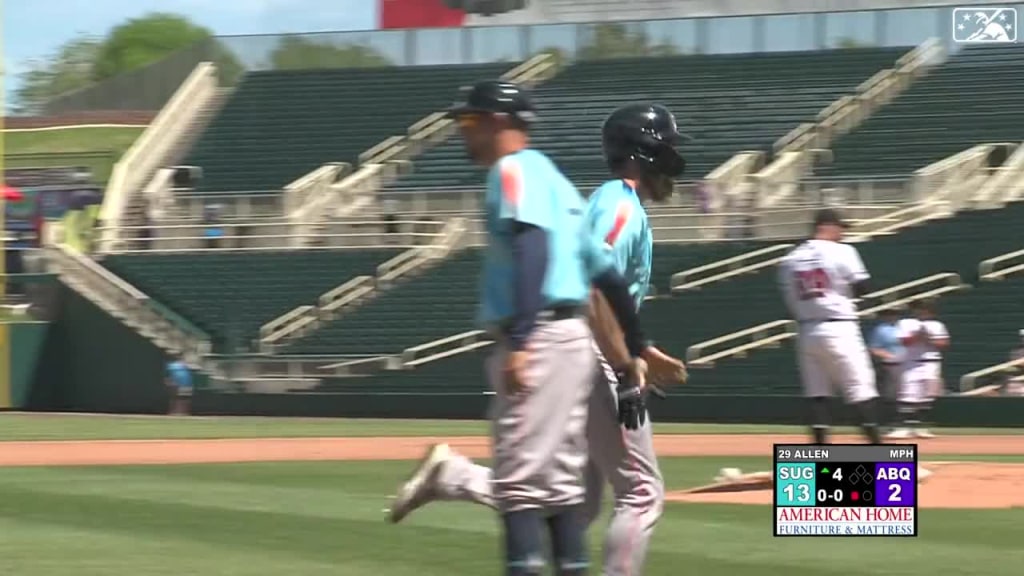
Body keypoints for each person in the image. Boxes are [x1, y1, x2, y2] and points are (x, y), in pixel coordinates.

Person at [386, 103, 688, 576]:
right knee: (641, 493)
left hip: (589, 352)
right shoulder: (618, 205)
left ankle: (456, 475)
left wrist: (640, 346)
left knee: (574, 501)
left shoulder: (619, 203)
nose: (674, 157)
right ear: (646, 150)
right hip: (591, 357)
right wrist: (627, 364)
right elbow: (592, 286)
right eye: (667, 146)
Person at [777, 208, 882, 445]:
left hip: (807, 330)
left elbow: (790, 300)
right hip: (840, 327)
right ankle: (881, 459)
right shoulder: (843, 251)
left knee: (817, 395)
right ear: (825, 226)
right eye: (840, 227)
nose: (842, 232)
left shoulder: (789, 260)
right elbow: (863, 287)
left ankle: (819, 461)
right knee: (860, 389)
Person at [888, 298, 949, 439]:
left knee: (927, 396)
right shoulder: (906, 323)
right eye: (919, 308)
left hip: (931, 362)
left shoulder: (937, 324)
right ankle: (903, 427)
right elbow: (904, 342)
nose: (922, 311)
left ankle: (921, 427)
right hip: (911, 362)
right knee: (908, 394)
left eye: (925, 308)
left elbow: (944, 343)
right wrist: (917, 335)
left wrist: (929, 338)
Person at [867, 307, 906, 429]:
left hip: (907, 365)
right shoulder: (881, 329)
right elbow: (874, 348)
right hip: (889, 366)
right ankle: (890, 422)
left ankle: (907, 422)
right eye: (889, 314)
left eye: (894, 313)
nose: (892, 316)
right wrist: (889, 356)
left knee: (907, 394)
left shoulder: (905, 327)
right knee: (890, 395)